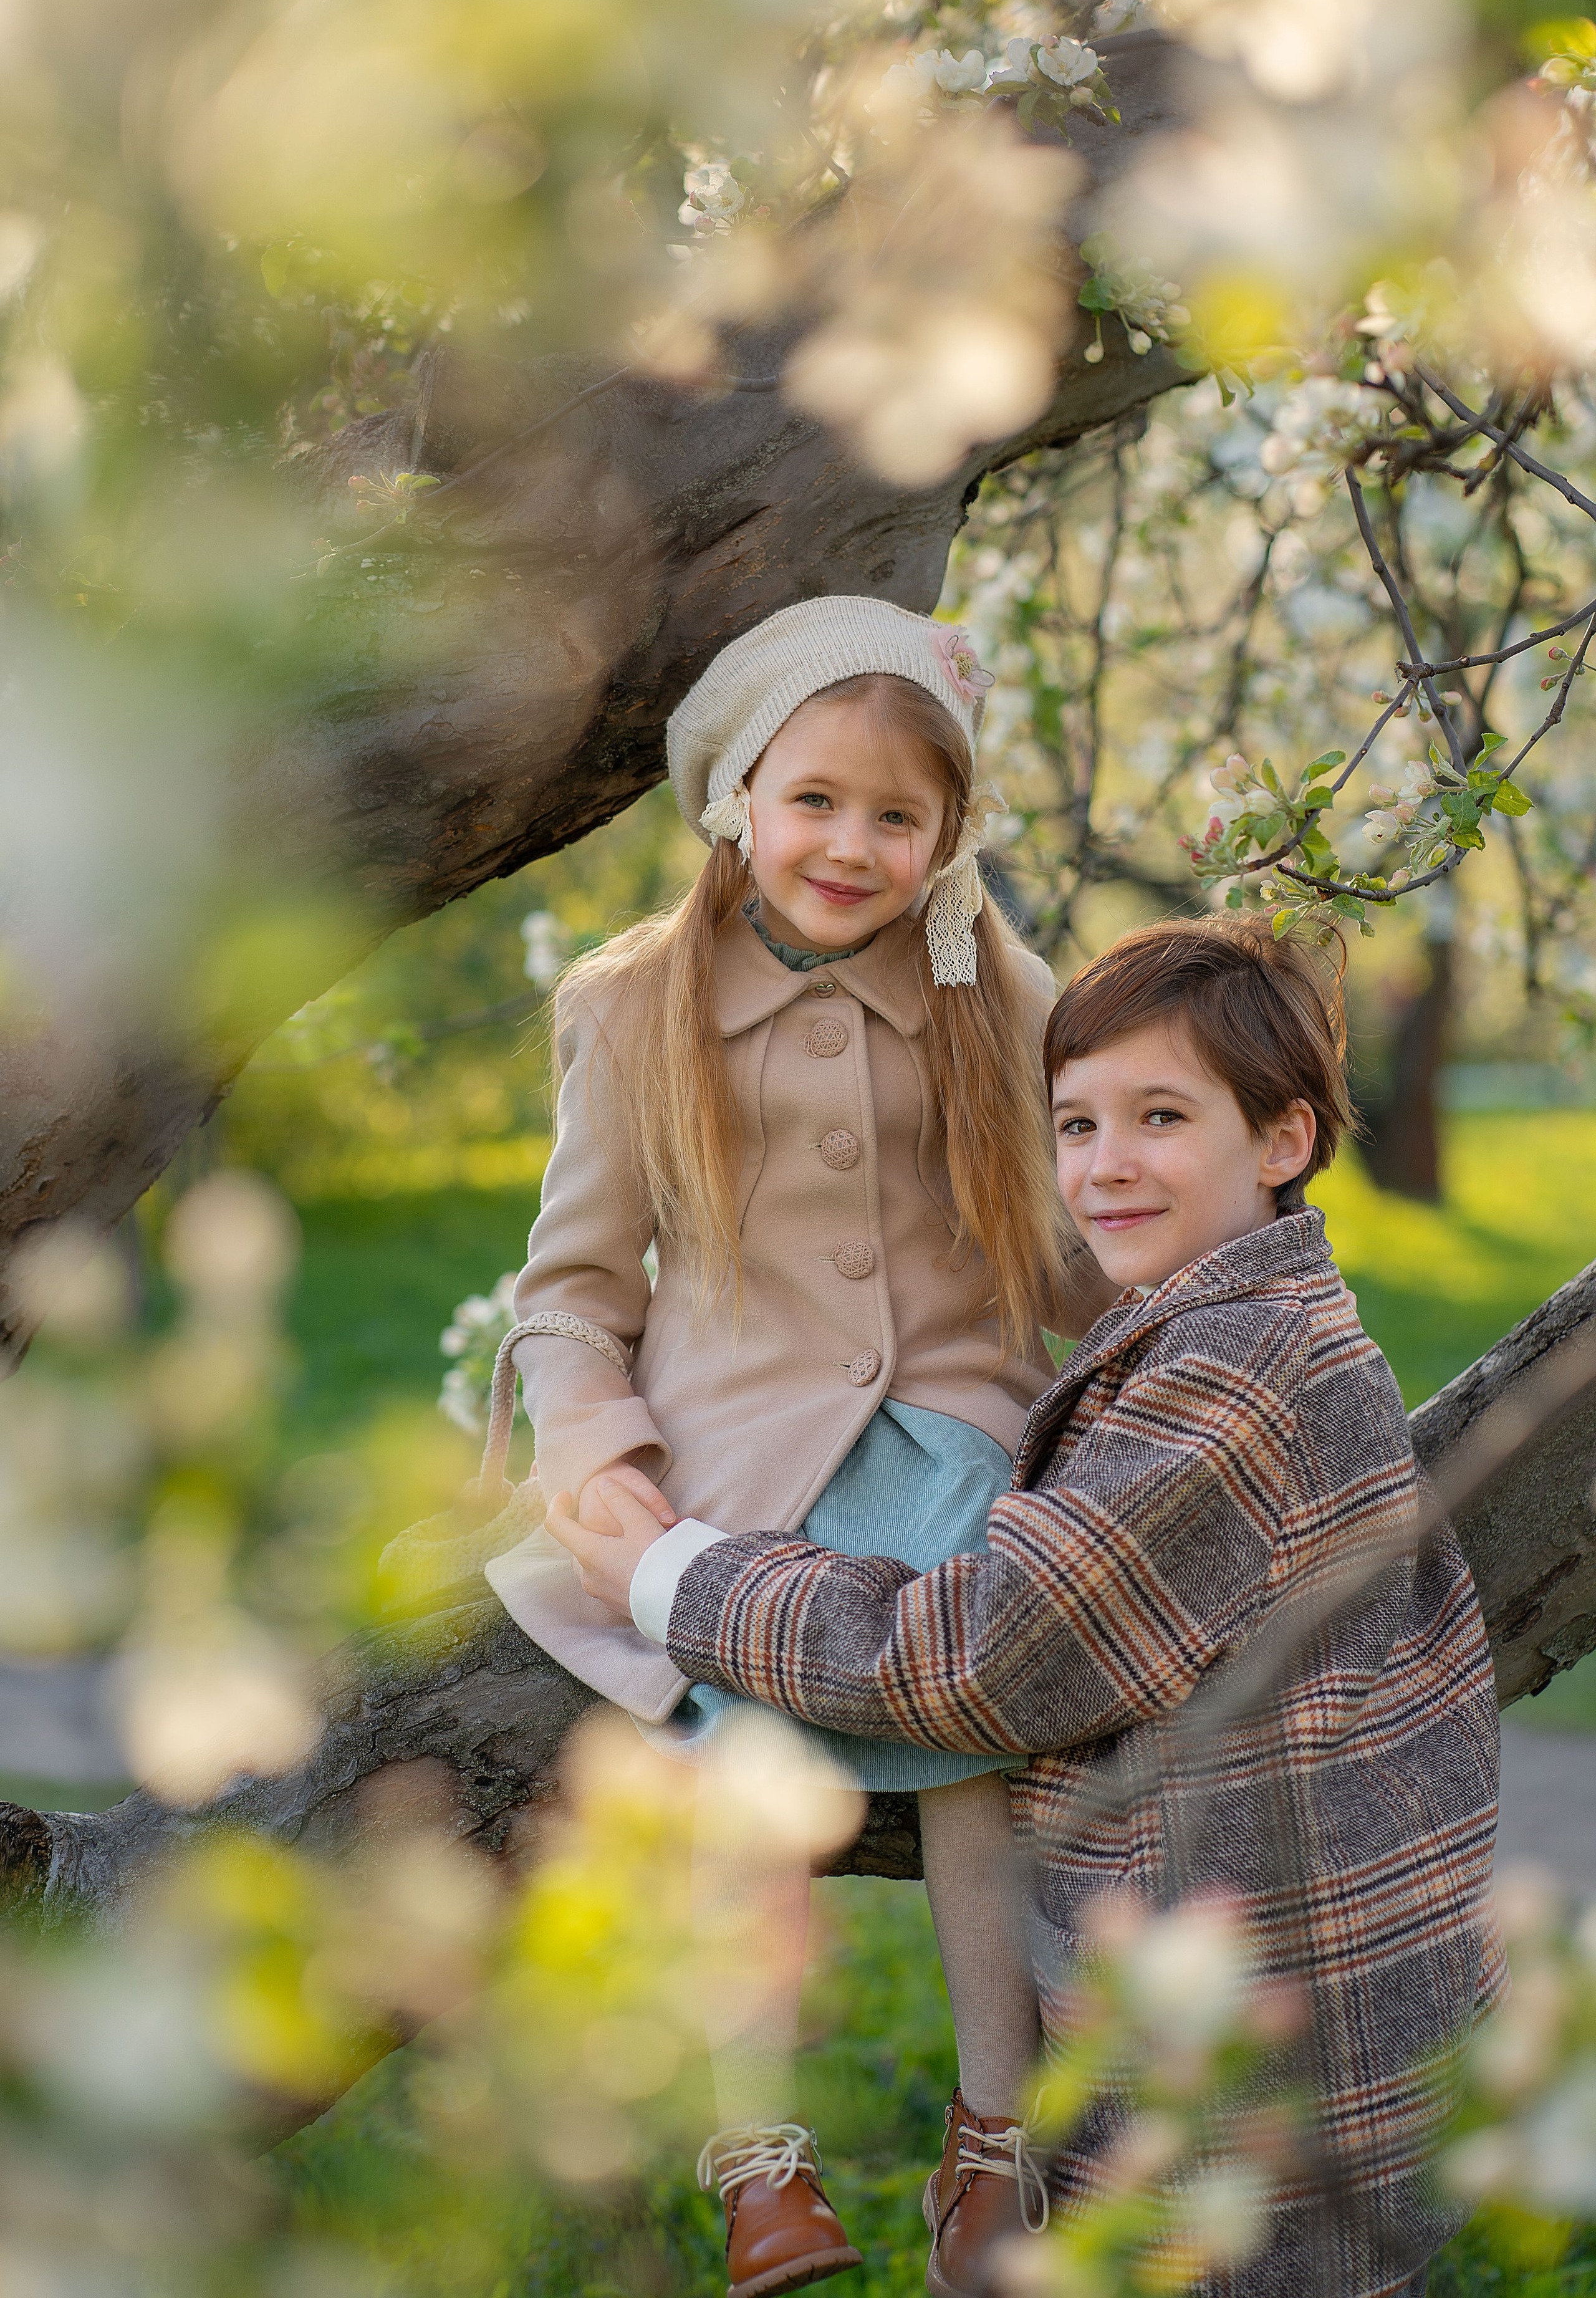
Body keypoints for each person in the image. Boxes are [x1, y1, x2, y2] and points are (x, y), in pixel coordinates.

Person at [546, 915, 1504, 2298]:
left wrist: (672, 1575)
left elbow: (978, 1657)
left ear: (1281, 1139)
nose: (1104, 1165)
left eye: (1160, 1117)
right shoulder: (1240, 1324)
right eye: (1074, 1124)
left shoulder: (1235, 1377)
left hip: (1244, 2122)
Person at [483, 596, 1108, 2298]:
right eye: (814, 799)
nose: (849, 844)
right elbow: (572, 1290)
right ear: (737, 797)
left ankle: (998, 2148)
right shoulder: (636, 1005)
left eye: (897, 815)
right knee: (730, 1763)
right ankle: (758, 2158)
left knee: (975, 1734)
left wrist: (1185, 1264)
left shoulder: (994, 991)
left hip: (953, 1441)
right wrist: (595, 1451)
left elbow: (1066, 1242)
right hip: (736, 1459)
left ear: (948, 833)